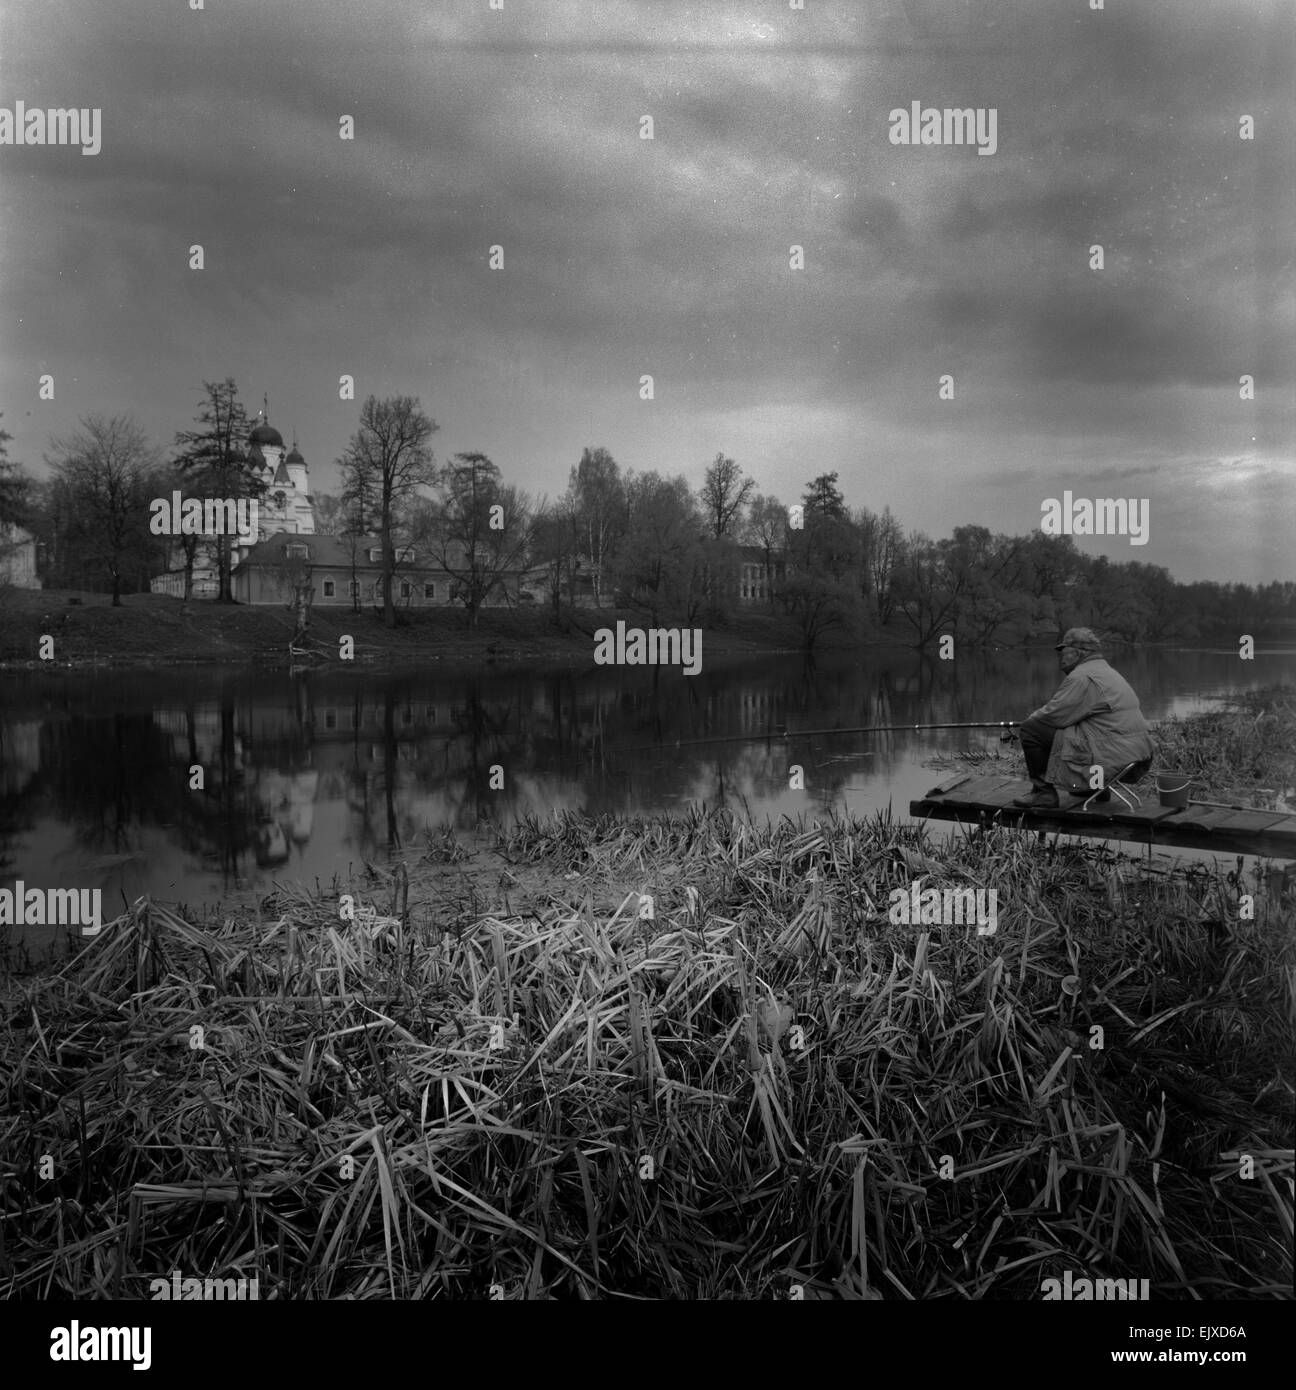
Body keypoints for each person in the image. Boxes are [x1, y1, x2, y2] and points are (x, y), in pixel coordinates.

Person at [1012, 628, 1154, 808]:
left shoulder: (1082, 676)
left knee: (1031, 729)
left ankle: (1043, 793)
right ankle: (1095, 788)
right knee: (1075, 727)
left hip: (1111, 755)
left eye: (1063, 652)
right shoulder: (1106, 671)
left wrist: (1030, 719)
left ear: (1077, 653)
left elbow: (1052, 716)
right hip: (1135, 753)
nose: (1061, 658)